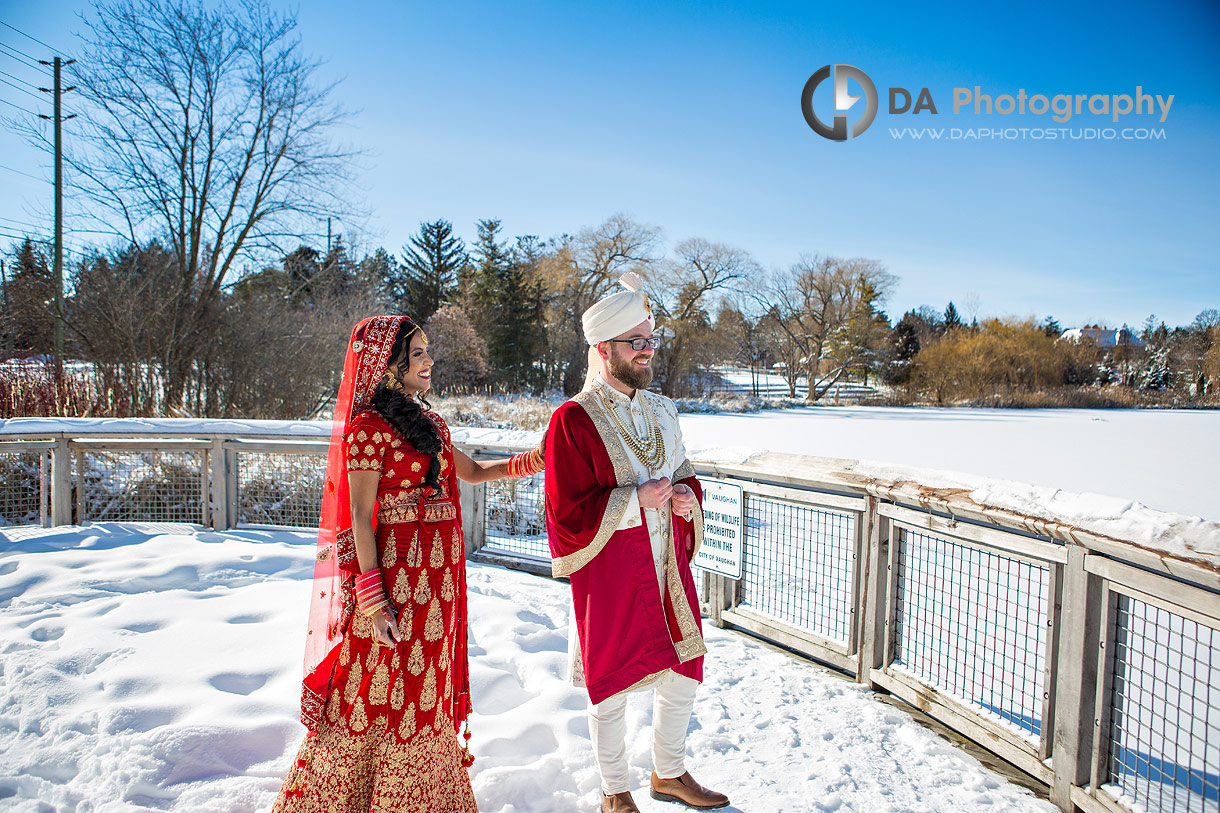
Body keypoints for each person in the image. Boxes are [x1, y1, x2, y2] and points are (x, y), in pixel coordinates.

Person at [273, 315, 544, 812]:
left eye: (425, 351)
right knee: (374, 679)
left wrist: (538, 457)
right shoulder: (367, 429)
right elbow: (358, 517)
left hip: (438, 583)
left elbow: (476, 471)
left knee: (425, 687)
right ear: (388, 364)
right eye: (417, 353)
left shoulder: (431, 424)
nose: (429, 361)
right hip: (393, 580)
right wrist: (373, 602)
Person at [544, 274, 730, 812]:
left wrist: (685, 498)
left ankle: (668, 773)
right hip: (612, 570)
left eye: (650, 340)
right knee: (613, 684)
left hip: (668, 562)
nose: (647, 351)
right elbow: (565, 510)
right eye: (636, 342)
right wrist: (633, 501)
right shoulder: (571, 422)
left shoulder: (664, 411)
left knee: (683, 670)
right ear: (603, 350)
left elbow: (685, 473)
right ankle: (614, 790)